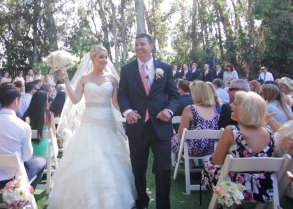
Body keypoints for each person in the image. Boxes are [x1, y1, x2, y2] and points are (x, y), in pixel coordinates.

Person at [48, 45, 136, 208]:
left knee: (109, 159)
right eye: (100, 57)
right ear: (92, 59)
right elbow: (75, 99)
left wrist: (128, 112)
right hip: (88, 122)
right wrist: (66, 80)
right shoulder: (84, 79)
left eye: (105, 56)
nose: (104, 60)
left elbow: (115, 103)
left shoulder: (112, 79)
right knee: (88, 159)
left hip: (108, 122)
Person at [118, 34, 180, 209]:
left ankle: (163, 206)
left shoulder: (165, 68)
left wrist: (169, 110)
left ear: (151, 46)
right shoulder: (127, 69)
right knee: (138, 169)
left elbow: (174, 95)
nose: (138, 47)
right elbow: (122, 94)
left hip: (161, 127)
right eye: (136, 45)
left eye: (142, 44)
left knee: (163, 169)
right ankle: (142, 202)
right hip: (137, 127)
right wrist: (127, 111)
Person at [203, 91, 275, 203]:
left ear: (246, 110)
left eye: (235, 104)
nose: (231, 105)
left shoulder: (232, 131)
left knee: (208, 165)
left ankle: (220, 203)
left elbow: (216, 161)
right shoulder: (269, 133)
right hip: (263, 189)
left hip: (235, 189)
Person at [0, 83, 46, 190]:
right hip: (14, 180)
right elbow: (26, 157)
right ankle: (25, 194)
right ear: (16, 101)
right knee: (42, 162)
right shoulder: (23, 126)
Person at [171, 80, 220, 165]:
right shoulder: (214, 109)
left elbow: (181, 133)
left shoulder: (190, 109)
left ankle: (185, 162)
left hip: (192, 149)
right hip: (211, 147)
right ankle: (191, 163)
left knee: (174, 139)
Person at [23, 91, 56, 156]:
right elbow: (53, 133)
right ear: (45, 101)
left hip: (28, 154)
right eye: (47, 99)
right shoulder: (49, 115)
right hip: (44, 153)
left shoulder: (26, 115)